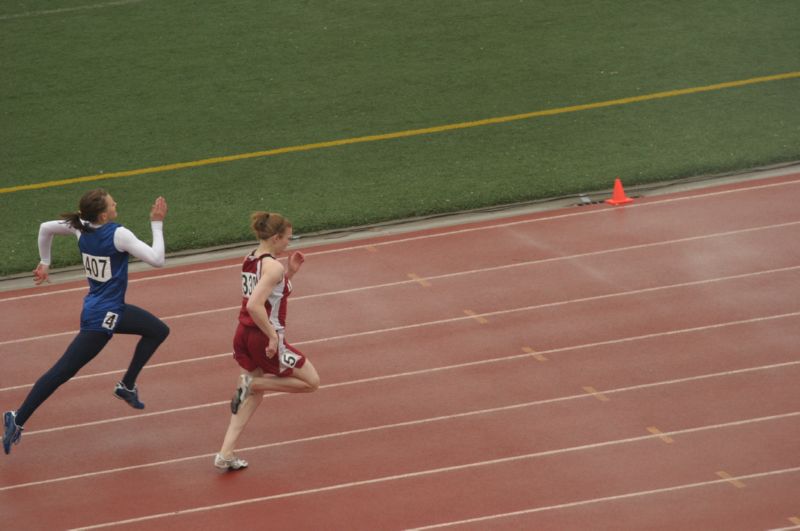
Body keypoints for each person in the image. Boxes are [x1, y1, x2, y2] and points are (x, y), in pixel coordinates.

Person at [3, 189, 170, 455]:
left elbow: (45, 228)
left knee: (158, 330)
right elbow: (158, 260)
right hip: (100, 319)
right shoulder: (118, 234)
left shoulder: (79, 227)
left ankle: (126, 386)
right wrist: (157, 223)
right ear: (103, 214)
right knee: (62, 372)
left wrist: (45, 262)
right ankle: (17, 417)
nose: (116, 202)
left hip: (109, 307)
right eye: (112, 201)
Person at [215, 212, 320, 471]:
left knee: (254, 396)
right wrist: (273, 336)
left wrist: (290, 274)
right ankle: (253, 382)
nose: (289, 243)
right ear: (275, 237)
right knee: (312, 382)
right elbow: (255, 305)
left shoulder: (251, 258)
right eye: (287, 238)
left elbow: (270, 294)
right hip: (263, 337)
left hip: (243, 334)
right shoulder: (273, 267)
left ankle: (225, 453)